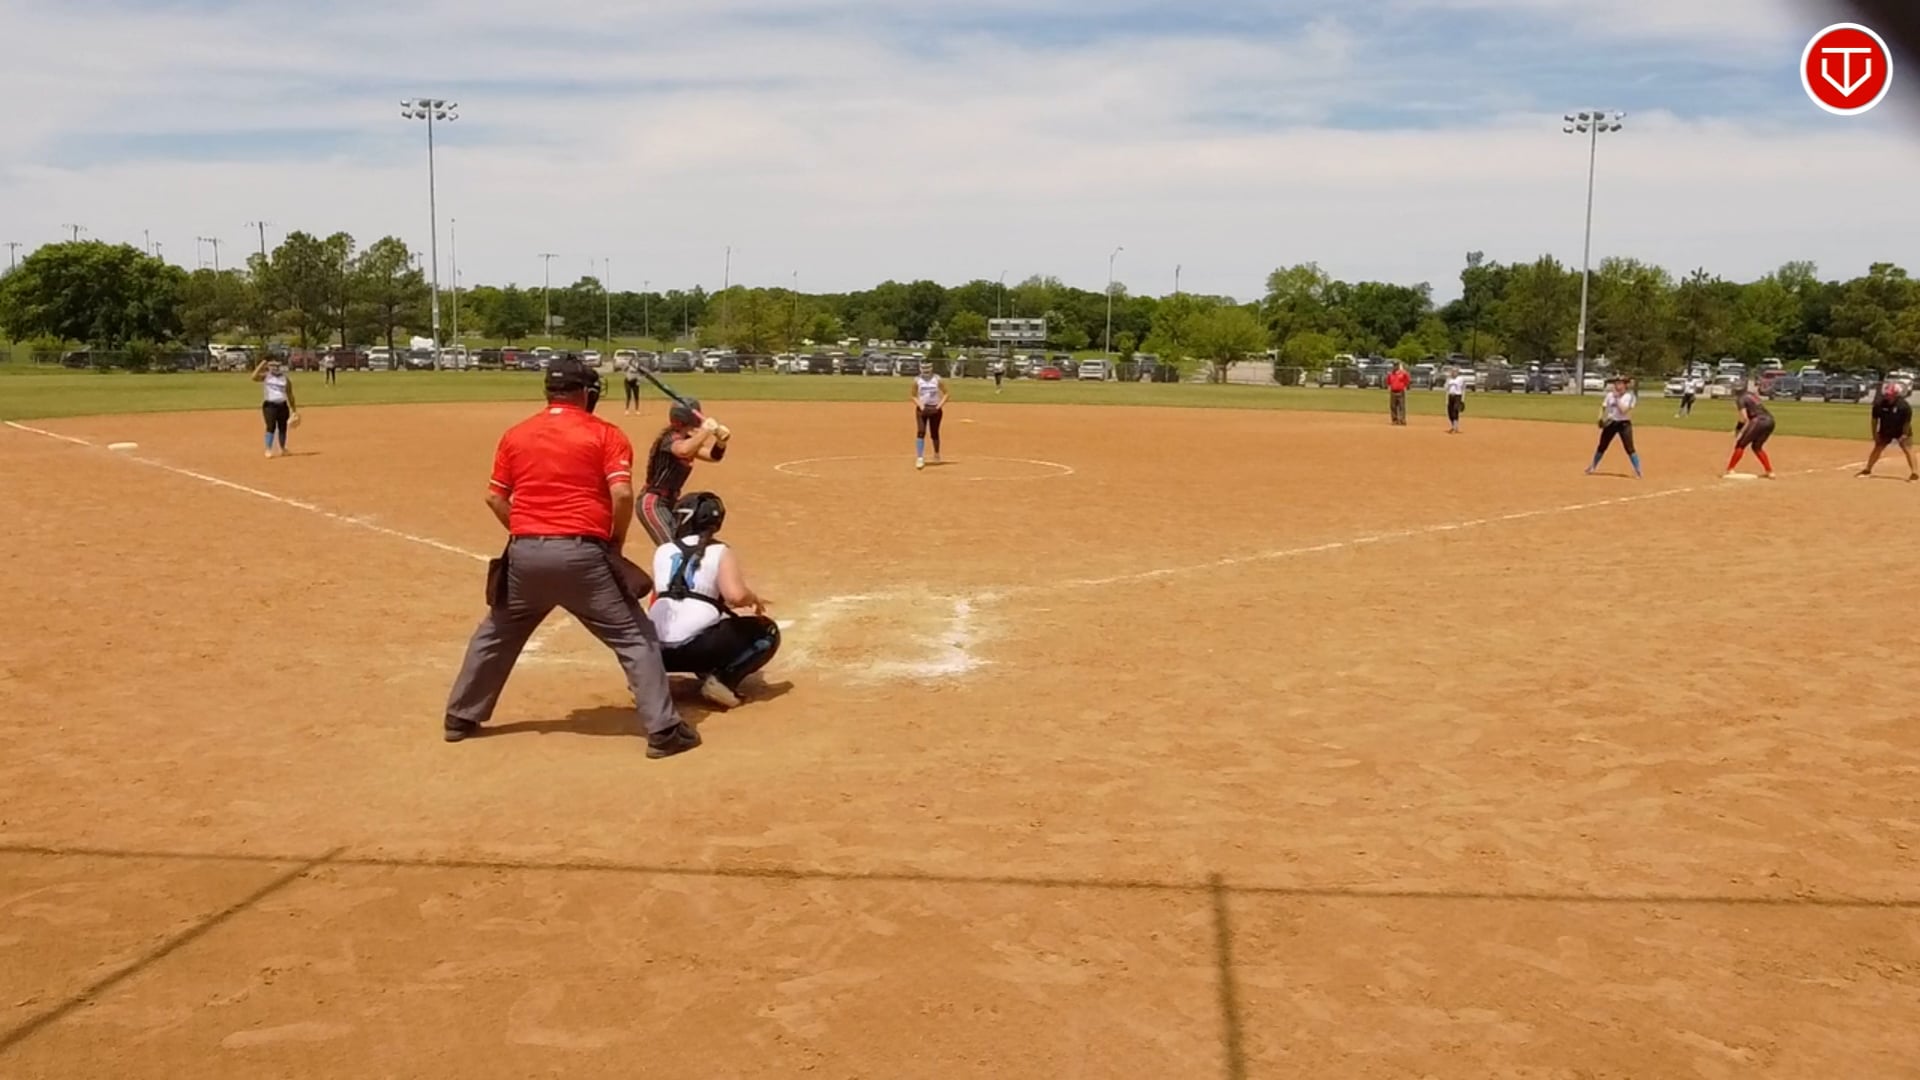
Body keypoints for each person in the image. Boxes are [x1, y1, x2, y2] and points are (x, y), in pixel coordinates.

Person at [442, 355, 699, 759]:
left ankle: (460, 716)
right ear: (584, 393)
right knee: (634, 637)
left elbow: (495, 497)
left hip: (524, 556)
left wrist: (527, 532)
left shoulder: (516, 434)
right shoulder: (605, 434)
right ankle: (664, 731)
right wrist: (614, 542)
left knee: (496, 634)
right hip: (582, 555)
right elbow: (621, 494)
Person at [648, 491, 781, 709]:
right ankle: (723, 682)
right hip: (698, 650)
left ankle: (650, 680)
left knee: (702, 622)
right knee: (767, 631)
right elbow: (736, 596)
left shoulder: (663, 550)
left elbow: (655, 600)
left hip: (655, 653)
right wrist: (753, 598)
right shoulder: (720, 550)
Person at [637, 399, 727, 546]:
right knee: (674, 548)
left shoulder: (688, 441)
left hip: (671, 502)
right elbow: (683, 450)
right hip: (654, 502)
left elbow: (713, 456)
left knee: (684, 544)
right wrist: (706, 431)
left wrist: (721, 442)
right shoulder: (670, 438)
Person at [1860, 381, 1918, 481]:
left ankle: (1915, 473)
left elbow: (1907, 422)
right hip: (1886, 429)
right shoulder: (1879, 404)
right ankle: (1867, 469)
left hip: (1901, 430)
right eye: (1886, 394)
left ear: (1896, 394)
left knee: (1907, 449)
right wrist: (1875, 434)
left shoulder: (1904, 406)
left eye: (1889, 394)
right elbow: (1874, 420)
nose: (1887, 396)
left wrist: (1904, 434)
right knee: (1878, 448)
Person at [1588, 375, 1643, 478]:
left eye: (1620, 383)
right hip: (1611, 422)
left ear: (1625, 385)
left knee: (1629, 448)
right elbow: (1603, 406)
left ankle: (1638, 470)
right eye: (1616, 383)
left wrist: (1617, 398)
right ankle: (1593, 466)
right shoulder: (1610, 395)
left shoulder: (1630, 397)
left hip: (1624, 424)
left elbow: (1624, 410)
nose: (1617, 385)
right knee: (1602, 445)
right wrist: (1600, 417)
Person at [1726, 379, 1777, 479]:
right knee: (1757, 447)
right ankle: (1770, 472)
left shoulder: (1740, 398)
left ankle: (1730, 469)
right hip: (1770, 421)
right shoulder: (1751, 394)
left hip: (1758, 420)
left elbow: (1744, 418)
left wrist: (1738, 429)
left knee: (1740, 445)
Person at [251, 356, 299, 458]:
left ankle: (283, 449)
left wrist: (294, 409)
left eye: (277, 366)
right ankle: (268, 449)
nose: (275, 368)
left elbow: (290, 394)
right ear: (269, 367)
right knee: (270, 427)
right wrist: (262, 364)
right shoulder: (266, 376)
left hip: (282, 405)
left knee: (283, 427)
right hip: (270, 406)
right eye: (272, 366)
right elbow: (254, 377)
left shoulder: (285, 379)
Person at [913, 360, 949, 470]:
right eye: (923, 368)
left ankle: (936, 453)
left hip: (935, 409)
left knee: (934, 432)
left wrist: (939, 406)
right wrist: (920, 405)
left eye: (927, 368)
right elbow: (913, 395)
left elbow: (946, 393)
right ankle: (920, 457)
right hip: (922, 409)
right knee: (921, 431)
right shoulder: (917, 380)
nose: (926, 371)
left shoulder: (937, 379)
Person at [1385, 362, 1412, 426]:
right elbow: (1388, 382)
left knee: (1401, 406)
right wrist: (1389, 386)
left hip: (1400, 391)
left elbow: (1407, 380)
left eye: (1396, 366)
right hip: (1393, 391)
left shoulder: (1403, 373)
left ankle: (1402, 420)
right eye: (1394, 366)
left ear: (1398, 366)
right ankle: (1395, 420)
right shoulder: (1390, 374)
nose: (1395, 367)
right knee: (1393, 406)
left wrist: (1406, 386)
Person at [1443, 366, 1466, 434]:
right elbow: (1446, 389)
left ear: (1458, 372)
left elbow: (1463, 389)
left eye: (1455, 371)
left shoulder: (1461, 379)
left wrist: (1463, 399)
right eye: (1452, 371)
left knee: (1455, 411)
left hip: (1457, 396)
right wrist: (1446, 399)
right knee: (1449, 412)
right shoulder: (1449, 379)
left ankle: (1455, 427)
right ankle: (1454, 426)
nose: (1453, 372)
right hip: (1450, 396)